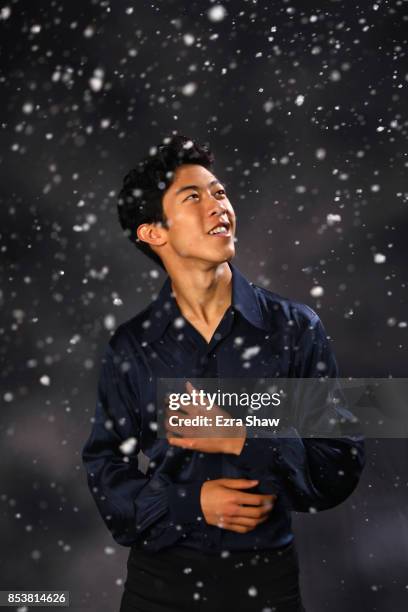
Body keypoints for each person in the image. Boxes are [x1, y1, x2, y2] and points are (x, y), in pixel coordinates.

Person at [81, 133, 365, 612]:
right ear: (154, 232)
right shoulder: (131, 346)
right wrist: (191, 504)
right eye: (193, 196)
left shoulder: (297, 328)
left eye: (220, 192)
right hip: (158, 589)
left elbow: (340, 463)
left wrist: (242, 437)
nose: (218, 206)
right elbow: (104, 467)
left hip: (268, 586)